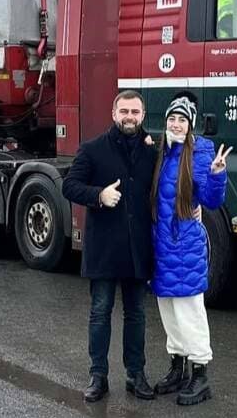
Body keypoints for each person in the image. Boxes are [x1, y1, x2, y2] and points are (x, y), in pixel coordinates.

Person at [62, 90, 157, 403]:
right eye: (124, 111)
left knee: (137, 314)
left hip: (137, 248)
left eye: (135, 112)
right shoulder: (92, 149)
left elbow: (172, 182)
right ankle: (98, 376)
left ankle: (136, 374)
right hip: (104, 247)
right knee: (100, 312)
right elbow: (69, 185)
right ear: (114, 114)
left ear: (143, 116)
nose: (130, 117)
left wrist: (193, 204)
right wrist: (99, 196)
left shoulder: (151, 151)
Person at [149, 95, 230, 406]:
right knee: (168, 310)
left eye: (182, 120)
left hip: (185, 247)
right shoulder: (161, 151)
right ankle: (177, 367)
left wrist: (217, 174)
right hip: (160, 246)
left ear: (190, 124)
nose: (176, 124)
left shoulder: (200, 153)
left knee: (190, 311)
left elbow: (210, 201)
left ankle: (200, 375)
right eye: (172, 119)